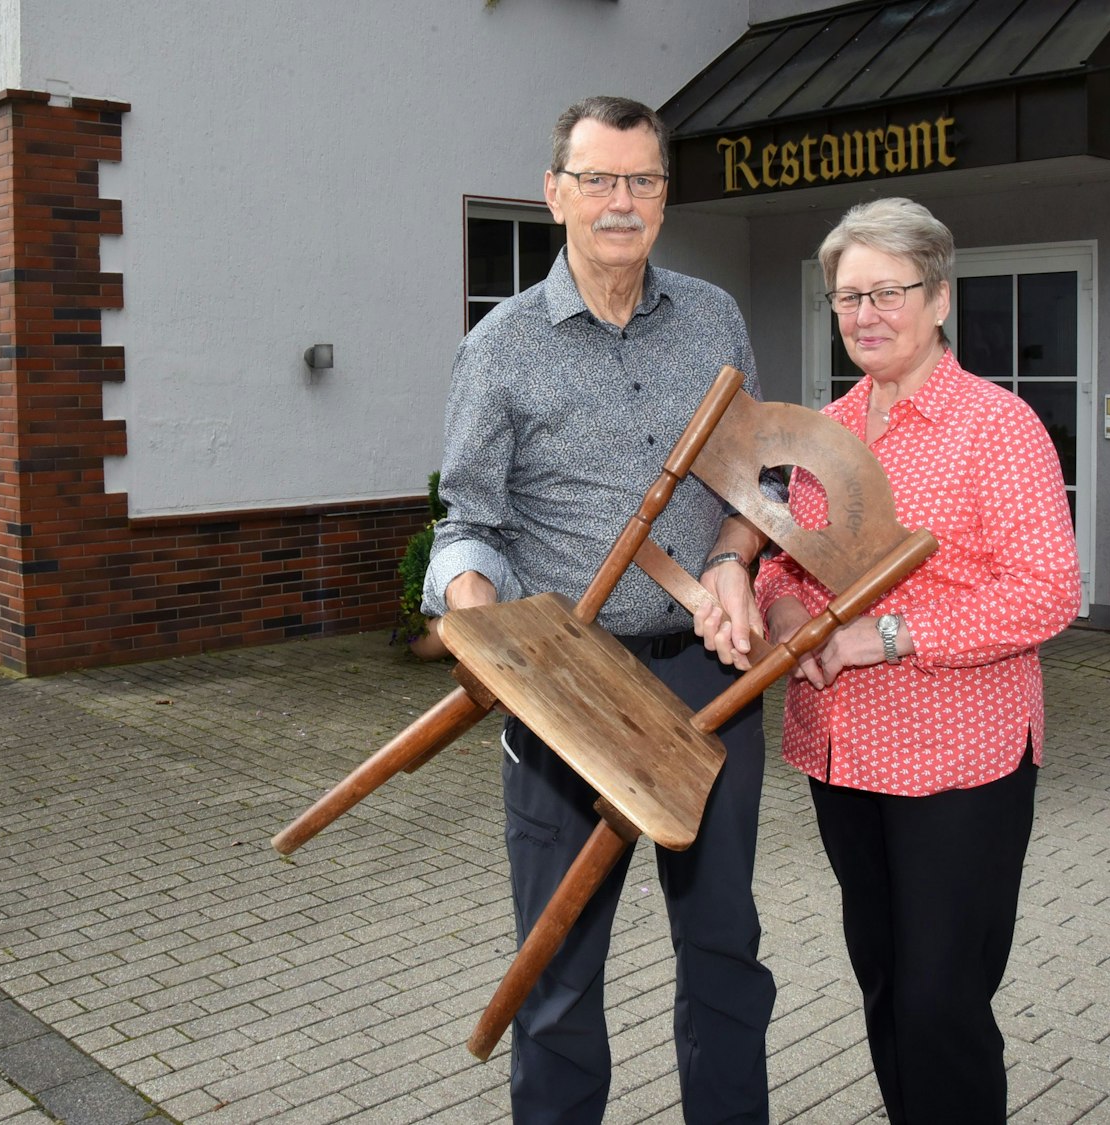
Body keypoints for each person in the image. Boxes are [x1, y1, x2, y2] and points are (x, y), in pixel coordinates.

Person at [422, 96, 774, 1124]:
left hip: (707, 681)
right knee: (559, 974)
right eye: (599, 180)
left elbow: (753, 485)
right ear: (555, 194)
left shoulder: (714, 317)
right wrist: (480, 620)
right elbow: (467, 521)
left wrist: (734, 563)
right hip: (563, 696)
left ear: (664, 196)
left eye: (643, 181)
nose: (622, 203)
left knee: (722, 951)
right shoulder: (498, 348)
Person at [753, 197, 1080, 1122]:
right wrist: (783, 613)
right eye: (847, 296)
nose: (865, 314)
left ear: (938, 298)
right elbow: (781, 554)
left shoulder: (997, 427)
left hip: (960, 762)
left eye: (887, 291)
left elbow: (1047, 590)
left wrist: (882, 637)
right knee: (887, 981)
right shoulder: (825, 432)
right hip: (844, 752)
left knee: (943, 999)